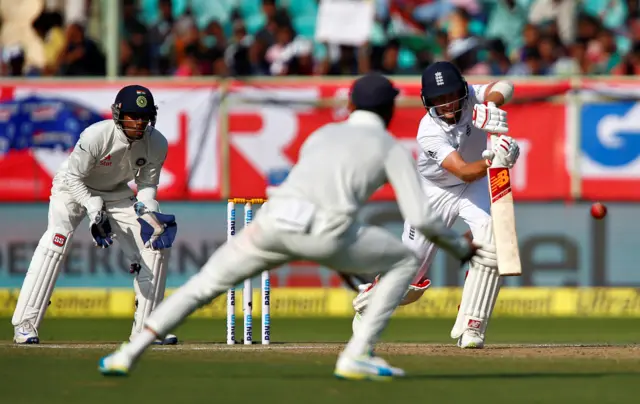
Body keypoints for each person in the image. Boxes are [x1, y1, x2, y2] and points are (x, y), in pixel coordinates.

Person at [98, 73, 493, 381]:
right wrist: (460, 249)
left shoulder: (321, 134)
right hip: (328, 231)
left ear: (352, 105)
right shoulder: (391, 148)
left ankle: (127, 353)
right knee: (405, 263)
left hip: (271, 223)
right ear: (389, 111)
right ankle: (357, 355)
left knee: (202, 286)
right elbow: (422, 220)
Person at [350, 61, 519, 349]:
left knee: (492, 239)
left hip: (473, 188)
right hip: (435, 191)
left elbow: (504, 86)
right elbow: (464, 170)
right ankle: (369, 302)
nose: (448, 104)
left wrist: (490, 106)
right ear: (428, 102)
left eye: (452, 95)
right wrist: (496, 160)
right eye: (439, 100)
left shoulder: (472, 98)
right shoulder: (428, 130)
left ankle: (473, 325)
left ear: (463, 90)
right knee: (409, 275)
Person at [11, 85, 179, 345]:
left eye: (144, 117)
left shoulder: (156, 143)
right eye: (133, 116)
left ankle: (148, 329)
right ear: (118, 115)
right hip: (72, 188)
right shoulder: (96, 136)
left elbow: (146, 187)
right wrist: (93, 209)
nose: (139, 122)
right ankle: (25, 324)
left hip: (116, 193)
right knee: (57, 240)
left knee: (154, 244)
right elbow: (73, 177)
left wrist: (150, 215)